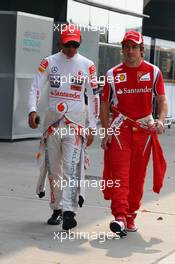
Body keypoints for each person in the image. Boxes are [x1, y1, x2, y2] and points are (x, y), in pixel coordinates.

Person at [28, 24, 99, 230]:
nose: (71, 49)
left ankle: (69, 211)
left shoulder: (88, 65)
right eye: (68, 45)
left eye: (75, 44)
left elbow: (94, 97)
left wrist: (92, 126)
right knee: (53, 170)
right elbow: (35, 87)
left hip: (75, 125)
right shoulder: (49, 62)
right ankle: (57, 208)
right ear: (61, 42)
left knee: (71, 167)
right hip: (52, 124)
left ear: (80, 42)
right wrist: (32, 110)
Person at [100, 30, 168, 237]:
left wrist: (161, 121)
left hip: (144, 131)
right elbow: (104, 105)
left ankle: (130, 216)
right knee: (120, 175)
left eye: (134, 47)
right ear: (122, 50)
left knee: (137, 177)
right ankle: (119, 216)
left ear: (141, 50)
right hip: (120, 129)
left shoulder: (154, 71)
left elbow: (162, 101)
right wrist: (107, 130)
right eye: (126, 47)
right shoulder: (112, 74)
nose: (130, 51)